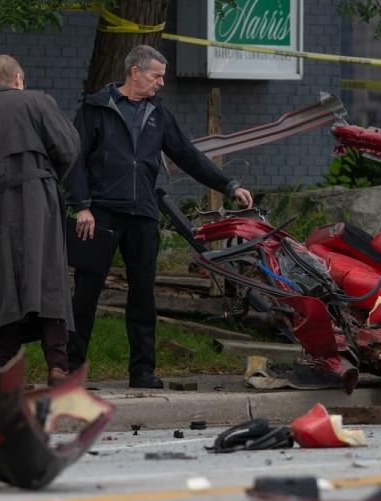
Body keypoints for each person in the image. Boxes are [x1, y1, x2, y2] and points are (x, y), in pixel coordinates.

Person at [65, 45, 253, 389]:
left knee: (142, 296)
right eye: (156, 75)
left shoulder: (158, 113)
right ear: (134, 72)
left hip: (143, 214)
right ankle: (70, 370)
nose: (162, 83)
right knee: (86, 293)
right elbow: (75, 160)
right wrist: (82, 206)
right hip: (102, 212)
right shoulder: (95, 108)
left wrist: (228, 185)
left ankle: (142, 371)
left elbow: (188, 155)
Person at [0, 55, 80, 386]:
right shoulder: (37, 101)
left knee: (4, 283)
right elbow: (69, 148)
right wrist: (46, 176)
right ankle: (57, 366)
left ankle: (6, 370)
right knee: (48, 277)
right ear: (17, 78)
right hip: (35, 200)